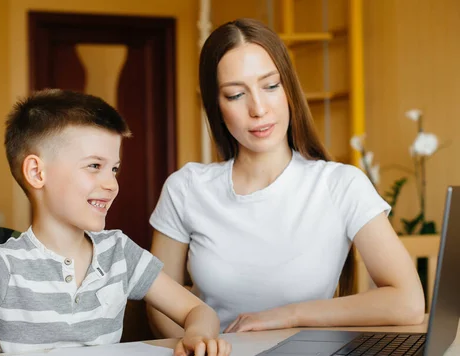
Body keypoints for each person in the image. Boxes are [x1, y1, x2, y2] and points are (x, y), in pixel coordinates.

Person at [0, 89, 230, 356]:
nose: (111, 183)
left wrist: (199, 333)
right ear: (37, 172)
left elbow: (199, 312)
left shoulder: (120, 253)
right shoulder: (4, 268)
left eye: (114, 168)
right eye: (94, 166)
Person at [147, 18, 425, 338]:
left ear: (289, 88)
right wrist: (204, 353)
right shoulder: (186, 188)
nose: (258, 109)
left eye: (270, 86)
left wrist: (289, 316)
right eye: (236, 94)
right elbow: (159, 305)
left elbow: (408, 301)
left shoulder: (341, 184)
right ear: (216, 106)